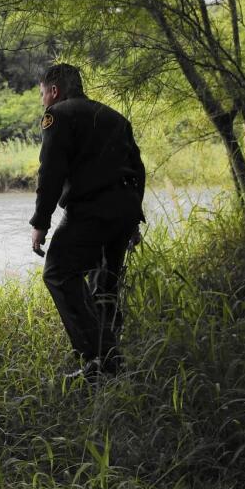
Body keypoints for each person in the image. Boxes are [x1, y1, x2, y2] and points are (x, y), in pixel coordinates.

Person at [30, 63, 145, 381]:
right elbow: (138, 167)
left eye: (42, 94)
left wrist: (41, 222)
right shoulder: (114, 117)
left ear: (54, 91)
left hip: (91, 210)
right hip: (124, 208)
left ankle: (107, 362)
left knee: (58, 272)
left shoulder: (59, 115)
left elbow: (50, 171)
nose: (43, 101)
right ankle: (104, 366)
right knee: (103, 282)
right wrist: (134, 217)